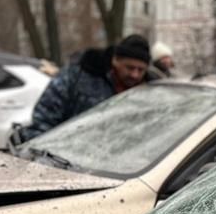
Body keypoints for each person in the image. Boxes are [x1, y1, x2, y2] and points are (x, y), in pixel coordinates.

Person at [20, 34, 152, 141]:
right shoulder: (78, 76)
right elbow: (44, 117)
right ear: (115, 60)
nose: (135, 75)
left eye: (141, 70)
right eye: (130, 68)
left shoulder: (150, 92)